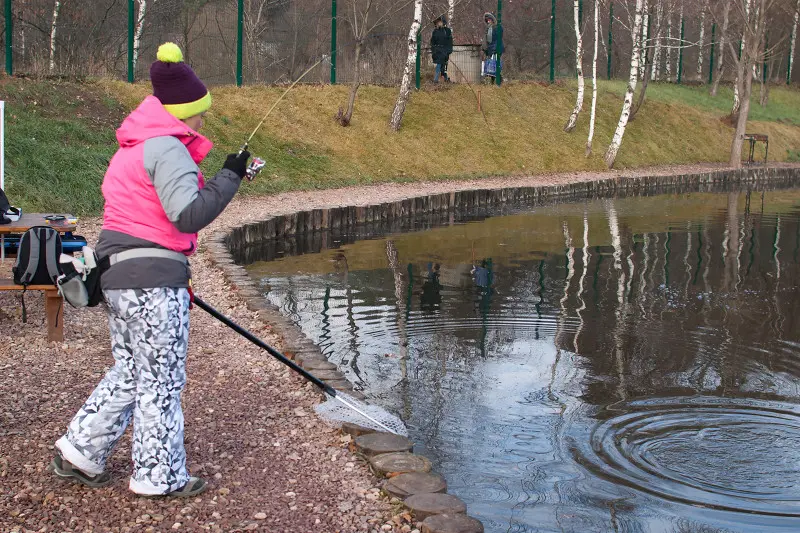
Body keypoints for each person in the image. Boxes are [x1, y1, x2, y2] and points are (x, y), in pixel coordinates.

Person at [49, 42, 253, 498]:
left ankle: (79, 450)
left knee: (131, 370)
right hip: (154, 283)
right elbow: (188, 215)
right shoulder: (167, 148)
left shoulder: (132, 148)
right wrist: (230, 176)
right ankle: (157, 476)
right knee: (161, 379)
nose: (203, 120)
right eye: (200, 112)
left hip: (119, 279)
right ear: (182, 111)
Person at [482, 12, 504, 85]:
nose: (488, 21)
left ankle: (499, 81)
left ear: (492, 20)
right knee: (491, 66)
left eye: (489, 20)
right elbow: (487, 41)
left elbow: (499, 39)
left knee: (495, 65)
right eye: (487, 20)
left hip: (496, 49)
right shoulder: (488, 29)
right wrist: (485, 49)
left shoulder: (497, 27)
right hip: (490, 49)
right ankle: (494, 81)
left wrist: (494, 49)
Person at [430, 16, 453, 83]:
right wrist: (433, 50)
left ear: (443, 22)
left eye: (439, 22)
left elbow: (450, 41)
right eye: (437, 22)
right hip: (437, 51)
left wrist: (448, 51)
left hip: (445, 50)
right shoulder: (435, 31)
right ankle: (436, 79)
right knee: (439, 64)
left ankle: (445, 78)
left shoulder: (447, 31)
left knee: (444, 65)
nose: (438, 23)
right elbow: (432, 42)